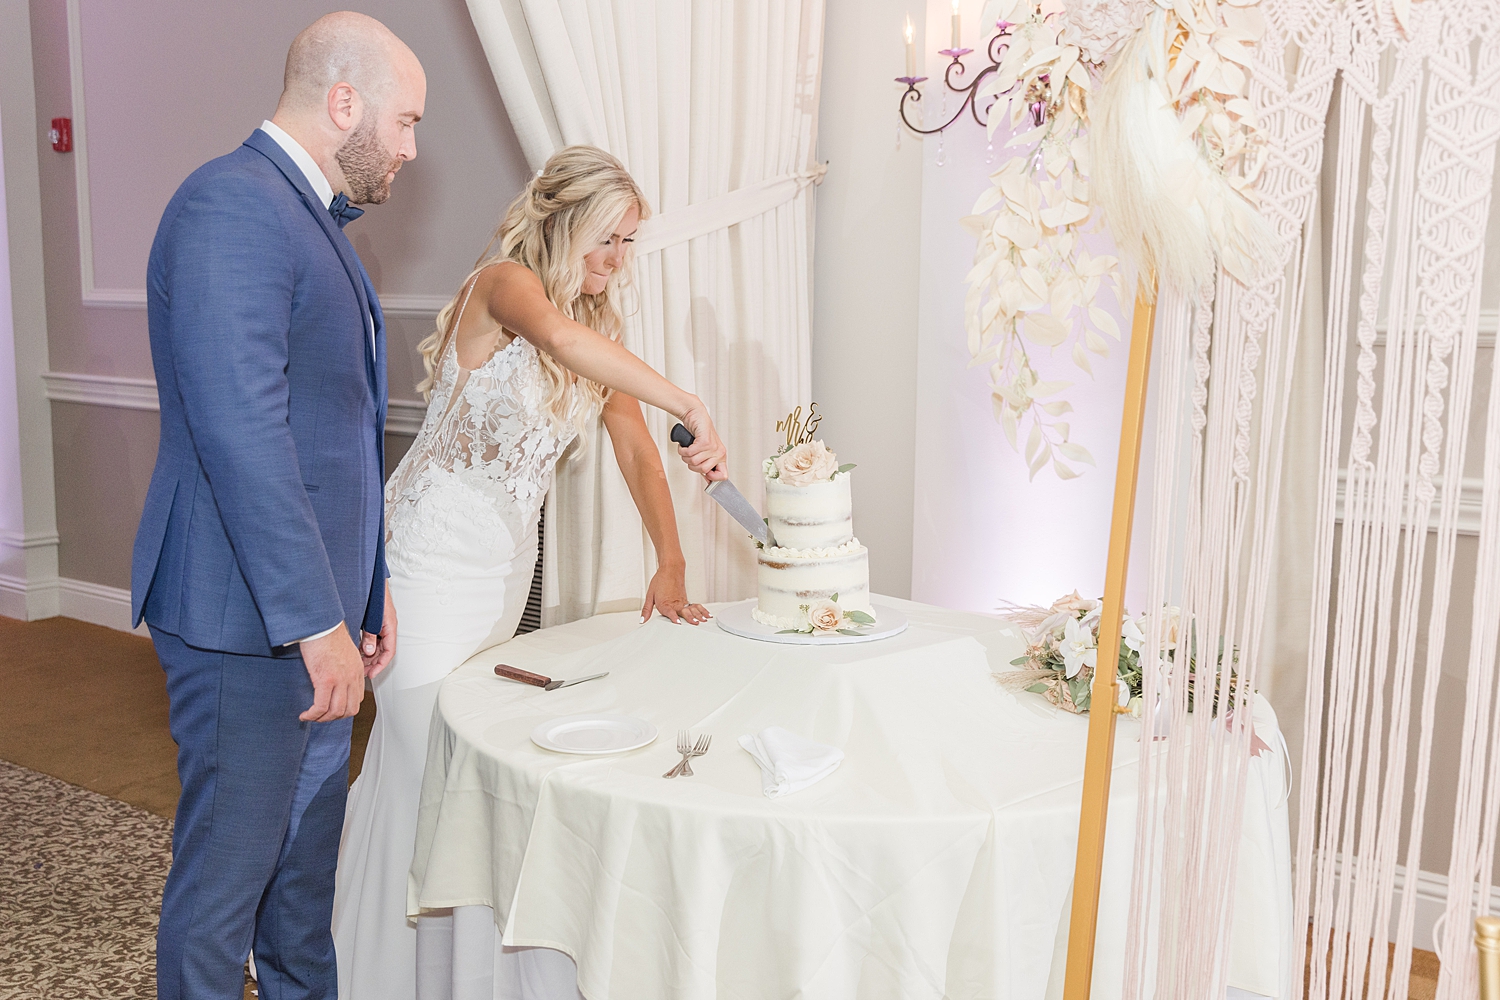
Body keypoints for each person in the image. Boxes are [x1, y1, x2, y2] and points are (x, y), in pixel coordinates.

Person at [331, 145, 727, 997]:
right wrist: (687, 402)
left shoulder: (601, 333)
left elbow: (636, 455)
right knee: (417, 771)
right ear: (565, 223)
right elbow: (551, 334)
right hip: (429, 566)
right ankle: (379, 975)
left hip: (501, 579)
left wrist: (671, 559)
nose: (617, 262)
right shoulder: (504, 284)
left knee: (469, 772)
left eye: (628, 244)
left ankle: (454, 975)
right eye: (607, 241)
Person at [129, 13, 424, 999]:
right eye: (406, 121)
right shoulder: (231, 205)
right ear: (345, 103)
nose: (410, 148)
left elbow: (337, 435)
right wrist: (313, 617)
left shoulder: (313, 223)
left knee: (299, 889)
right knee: (224, 892)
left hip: (314, 621)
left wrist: (365, 589)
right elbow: (242, 431)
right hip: (245, 623)